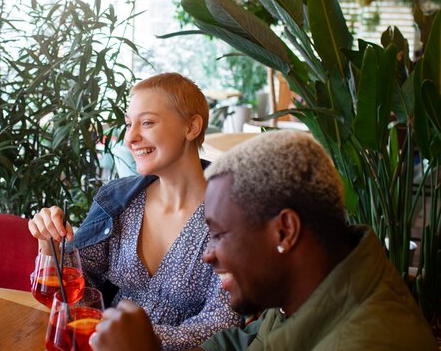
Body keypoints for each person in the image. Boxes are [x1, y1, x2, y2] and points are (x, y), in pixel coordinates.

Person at [89, 130, 438, 351]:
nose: (207, 255)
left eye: (220, 234)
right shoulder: (298, 293)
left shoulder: (371, 341)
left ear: (284, 231)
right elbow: (239, 344)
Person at [28, 72, 242, 350]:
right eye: (129, 124)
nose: (131, 137)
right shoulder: (119, 201)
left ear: (192, 127)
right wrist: (50, 246)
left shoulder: (233, 217)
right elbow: (79, 292)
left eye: (148, 122)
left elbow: (222, 323)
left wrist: (140, 341)